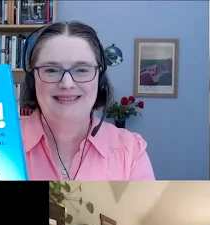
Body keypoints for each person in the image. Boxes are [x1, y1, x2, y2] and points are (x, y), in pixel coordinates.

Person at [20, 21, 155, 180]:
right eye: (51, 70)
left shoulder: (131, 150)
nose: (67, 84)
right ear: (32, 79)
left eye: (82, 70)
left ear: (100, 79)